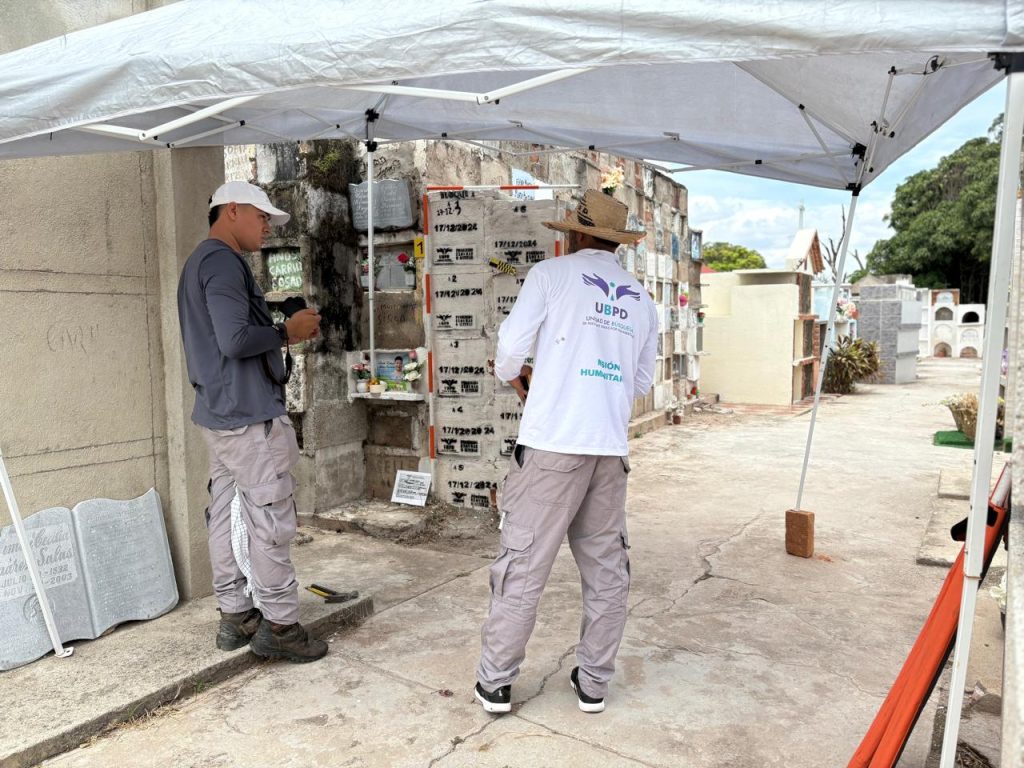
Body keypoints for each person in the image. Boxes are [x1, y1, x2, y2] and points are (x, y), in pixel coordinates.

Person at [475, 190, 658, 714]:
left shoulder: (550, 276)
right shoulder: (642, 299)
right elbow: (640, 380)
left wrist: (520, 377)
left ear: (574, 234)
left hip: (553, 445)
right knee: (606, 572)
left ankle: (496, 683)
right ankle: (594, 682)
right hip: (608, 449)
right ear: (617, 243)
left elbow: (510, 351)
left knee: (523, 565)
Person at [177, 181, 326, 663]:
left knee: (225, 511)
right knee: (270, 515)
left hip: (220, 412)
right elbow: (236, 340)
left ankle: (236, 614)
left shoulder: (202, 262)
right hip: (246, 415)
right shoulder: (222, 261)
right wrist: (289, 331)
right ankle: (280, 625)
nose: (266, 226)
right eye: (261, 216)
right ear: (233, 210)